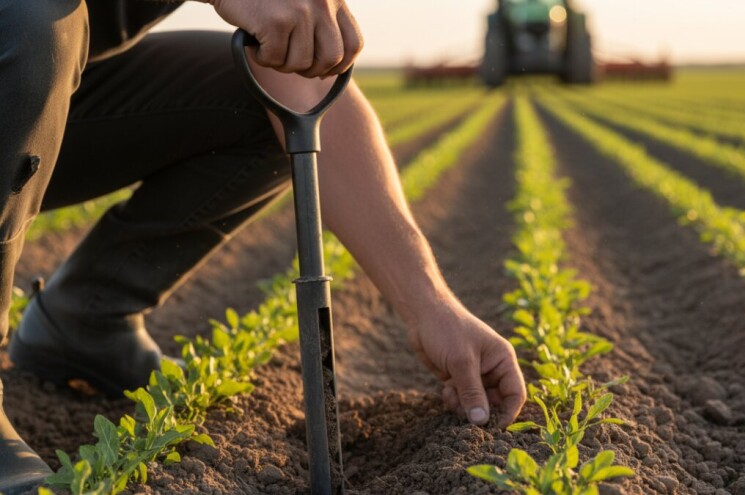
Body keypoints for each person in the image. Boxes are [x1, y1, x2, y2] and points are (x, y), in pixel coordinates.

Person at [0, 0, 527, 492]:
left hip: (41, 96)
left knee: (257, 96)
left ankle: (85, 319)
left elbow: (305, 90)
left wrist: (432, 305)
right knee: (32, 21)